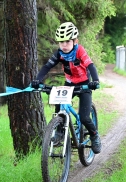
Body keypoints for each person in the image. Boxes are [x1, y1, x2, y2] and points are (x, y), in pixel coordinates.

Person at [32, 22, 101, 154]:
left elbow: (90, 65)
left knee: (84, 117)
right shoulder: (59, 53)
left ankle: (94, 135)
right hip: (69, 83)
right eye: (61, 42)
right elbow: (47, 66)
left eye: (67, 41)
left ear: (75, 41)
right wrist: (37, 80)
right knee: (59, 102)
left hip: (85, 84)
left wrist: (95, 81)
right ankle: (59, 130)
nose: (64, 45)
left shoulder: (79, 50)